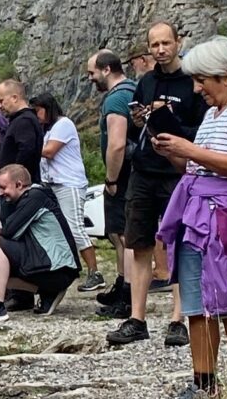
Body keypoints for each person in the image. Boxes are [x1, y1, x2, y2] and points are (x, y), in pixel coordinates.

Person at [151, 36, 227, 399]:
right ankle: (204, 386)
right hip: (196, 212)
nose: (197, 88)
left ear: (224, 76)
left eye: (202, 80)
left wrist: (188, 150)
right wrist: (175, 153)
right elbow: (199, 164)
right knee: (196, 304)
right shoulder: (211, 114)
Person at [106, 21, 197, 350]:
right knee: (139, 243)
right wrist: (143, 119)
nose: (160, 50)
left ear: (177, 42)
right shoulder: (145, 82)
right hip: (144, 170)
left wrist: (171, 121)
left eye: (165, 43)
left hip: (177, 172)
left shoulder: (192, 82)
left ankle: (178, 319)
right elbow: (134, 124)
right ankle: (137, 318)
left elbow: (198, 128)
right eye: (154, 45)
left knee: (180, 245)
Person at [0, 161, 83, 315]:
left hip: (60, 270)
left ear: (19, 185)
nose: (0, 193)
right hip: (49, 268)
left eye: (3, 187)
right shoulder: (23, 200)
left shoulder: (36, 197)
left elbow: (8, 232)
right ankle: (48, 292)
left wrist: (4, 206)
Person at [87, 50, 136, 314]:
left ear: (106, 70)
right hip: (133, 173)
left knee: (125, 235)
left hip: (124, 176)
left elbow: (116, 144)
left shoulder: (117, 99)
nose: (90, 79)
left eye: (92, 73)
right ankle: (121, 284)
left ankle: (127, 296)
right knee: (118, 234)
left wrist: (111, 179)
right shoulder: (133, 90)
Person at [32, 92, 96, 280]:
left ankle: (94, 271)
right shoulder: (49, 129)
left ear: (47, 108)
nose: (37, 115)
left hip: (70, 184)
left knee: (75, 227)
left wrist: (28, 147)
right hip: (53, 183)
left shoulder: (63, 124)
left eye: (38, 111)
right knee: (59, 228)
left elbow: (50, 151)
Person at [0, 78, 44, 181]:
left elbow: (26, 153)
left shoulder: (24, 121)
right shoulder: (18, 121)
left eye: (1, 101)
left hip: (19, 188)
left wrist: (15, 181)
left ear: (14, 98)